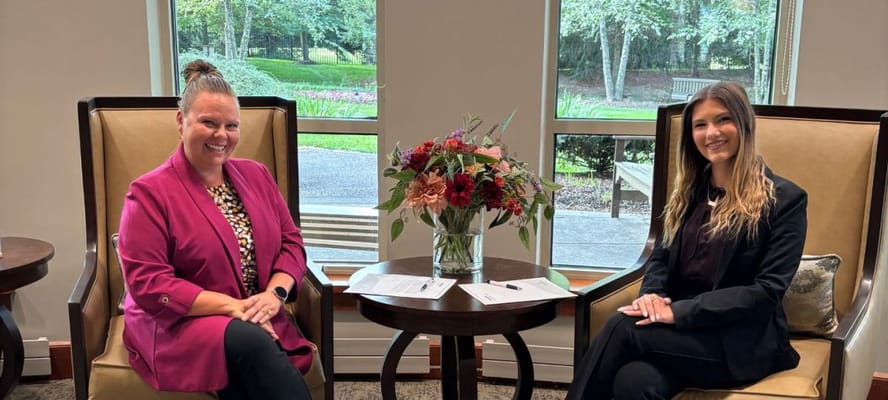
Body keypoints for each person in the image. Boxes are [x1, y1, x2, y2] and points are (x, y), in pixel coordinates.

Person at [567, 82, 807, 399]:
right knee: (634, 381)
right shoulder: (690, 192)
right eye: (700, 125)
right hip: (679, 334)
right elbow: (660, 258)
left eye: (723, 119)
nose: (712, 133)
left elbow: (766, 291)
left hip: (736, 343)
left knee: (620, 328)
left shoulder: (785, 200)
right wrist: (652, 295)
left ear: (744, 123)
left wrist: (679, 312)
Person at [117, 59, 312, 400]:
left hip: (254, 310)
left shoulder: (257, 176)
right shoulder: (149, 193)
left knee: (249, 352)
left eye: (231, 126)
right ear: (181, 121)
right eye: (209, 123)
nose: (222, 136)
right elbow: (149, 285)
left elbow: (291, 244)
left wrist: (274, 295)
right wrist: (233, 308)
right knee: (250, 343)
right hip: (179, 321)